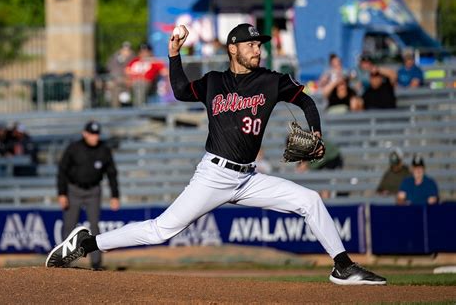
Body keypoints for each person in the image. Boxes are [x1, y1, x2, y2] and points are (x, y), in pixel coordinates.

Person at [46, 23, 386, 285]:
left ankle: (342, 267)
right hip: (214, 174)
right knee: (162, 230)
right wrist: (174, 54)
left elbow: (306, 101)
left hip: (248, 178)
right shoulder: (213, 82)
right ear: (233, 49)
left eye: (260, 44)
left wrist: (315, 132)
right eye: (252, 44)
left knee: (310, 200)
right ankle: (87, 244)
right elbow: (179, 90)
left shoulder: (271, 80)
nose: (258, 49)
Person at [56, 120, 120, 270]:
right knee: (69, 227)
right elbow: (62, 171)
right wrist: (62, 193)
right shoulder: (74, 148)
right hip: (74, 190)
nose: (94, 137)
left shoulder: (103, 150)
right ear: (84, 133)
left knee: (95, 227)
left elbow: (111, 173)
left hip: (93, 191)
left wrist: (115, 195)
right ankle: (65, 262)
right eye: (91, 134)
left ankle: (96, 263)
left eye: (96, 134)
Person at [106, 41, 135, 107]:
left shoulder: (133, 59)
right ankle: (115, 111)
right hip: (116, 82)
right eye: (124, 49)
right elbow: (110, 69)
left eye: (128, 50)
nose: (126, 52)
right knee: (115, 89)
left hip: (129, 83)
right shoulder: (114, 58)